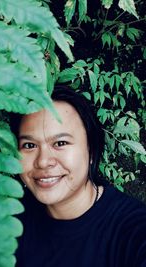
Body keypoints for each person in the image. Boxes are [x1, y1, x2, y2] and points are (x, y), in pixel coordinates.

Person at [9, 85, 146, 267]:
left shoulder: (132, 230)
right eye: (29, 145)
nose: (43, 161)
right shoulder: (7, 218)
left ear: (90, 149)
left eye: (60, 142)